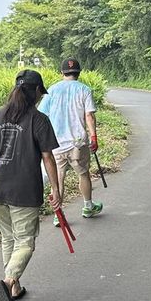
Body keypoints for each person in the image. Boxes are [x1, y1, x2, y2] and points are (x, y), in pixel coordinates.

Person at [0, 70, 62, 301]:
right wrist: (56, 188)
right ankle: (7, 282)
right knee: (25, 241)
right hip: (24, 188)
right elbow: (48, 156)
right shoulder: (38, 119)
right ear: (36, 92)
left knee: (9, 238)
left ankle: (14, 289)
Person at [39, 57, 103, 219]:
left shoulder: (52, 90)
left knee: (58, 177)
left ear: (62, 73)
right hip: (78, 142)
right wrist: (94, 137)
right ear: (78, 73)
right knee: (83, 173)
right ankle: (88, 206)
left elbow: (42, 115)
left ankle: (58, 214)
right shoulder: (84, 90)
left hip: (55, 143)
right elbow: (89, 115)